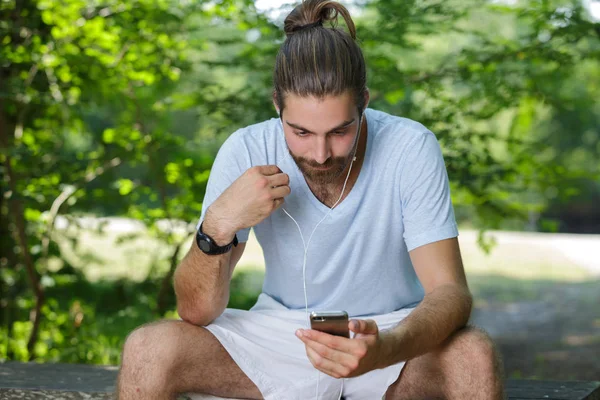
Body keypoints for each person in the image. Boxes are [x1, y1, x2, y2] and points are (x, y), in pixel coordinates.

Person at [116, 1, 505, 399]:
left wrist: (386, 348)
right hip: (281, 336)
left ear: (364, 102)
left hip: (390, 335)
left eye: (340, 131)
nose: (320, 154)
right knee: (148, 348)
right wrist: (218, 223)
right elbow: (196, 312)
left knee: (473, 354)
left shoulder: (410, 147)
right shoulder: (246, 149)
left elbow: (450, 291)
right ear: (276, 106)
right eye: (300, 132)